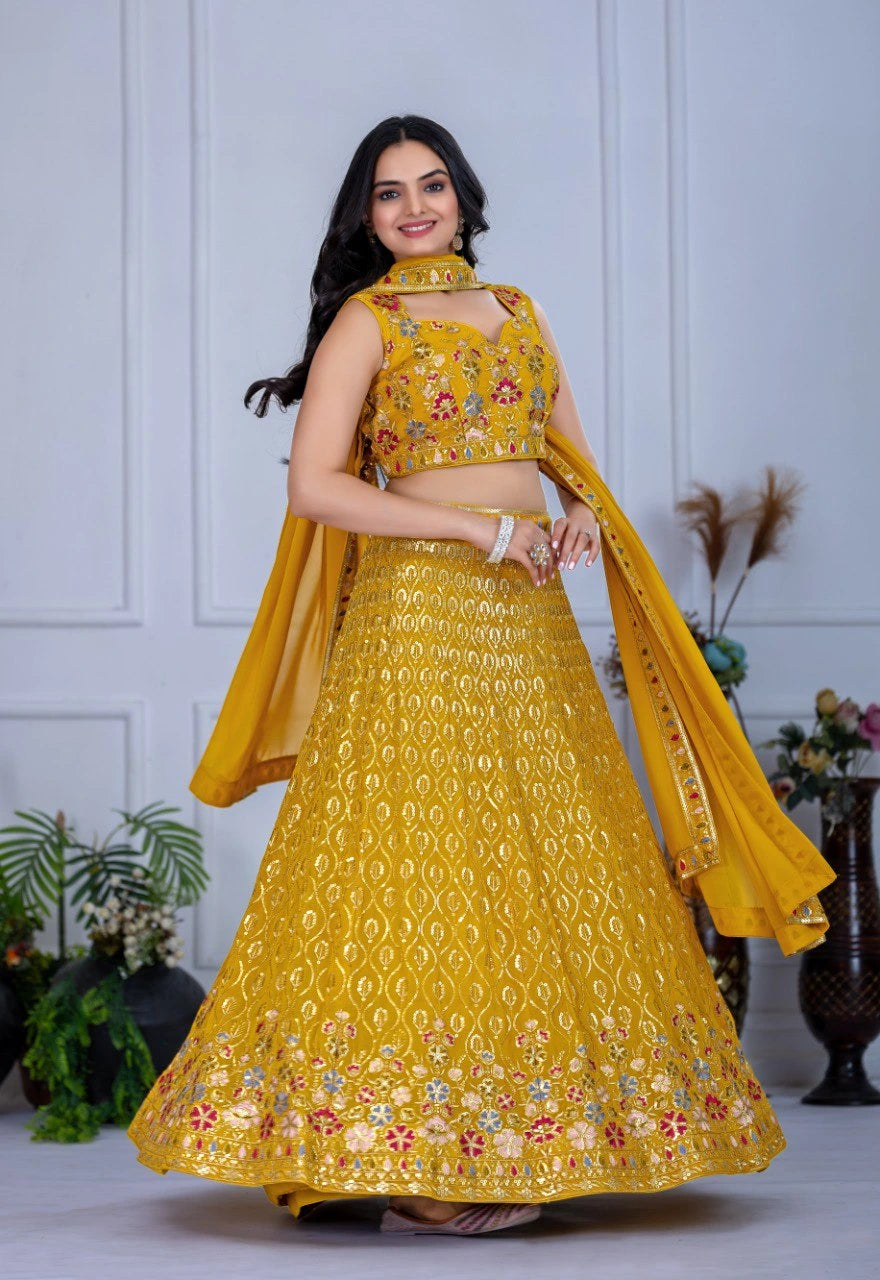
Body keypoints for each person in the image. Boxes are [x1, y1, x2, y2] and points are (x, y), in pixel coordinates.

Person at [126, 115, 836, 1236]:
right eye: (388, 192)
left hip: (528, 616)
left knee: (541, 856)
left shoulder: (521, 313)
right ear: (364, 216)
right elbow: (314, 486)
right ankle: (409, 1151)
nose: (414, 206)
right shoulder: (369, 321)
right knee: (419, 863)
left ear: (463, 196)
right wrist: (474, 537)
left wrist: (572, 526)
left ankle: (525, 1135)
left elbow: (568, 461)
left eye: (432, 184)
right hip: (416, 615)